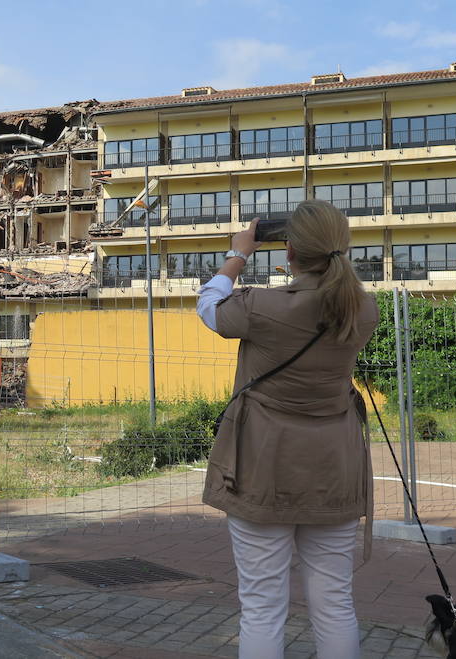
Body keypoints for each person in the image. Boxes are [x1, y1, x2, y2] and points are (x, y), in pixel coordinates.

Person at [196, 200, 379, 659]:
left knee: (261, 606)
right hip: (334, 464)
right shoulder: (364, 310)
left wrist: (239, 254)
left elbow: (209, 306)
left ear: (289, 250)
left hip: (263, 464)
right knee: (335, 602)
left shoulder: (261, 306)